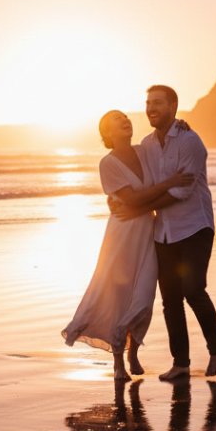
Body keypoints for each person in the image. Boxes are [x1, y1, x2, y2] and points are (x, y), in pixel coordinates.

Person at [62, 110, 193, 381]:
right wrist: (167, 185)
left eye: (125, 117)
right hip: (121, 236)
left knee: (144, 297)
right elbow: (131, 199)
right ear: (107, 134)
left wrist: (179, 126)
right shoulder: (107, 163)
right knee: (118, 296)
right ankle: (119, 361)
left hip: (149, 232)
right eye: (116, 120)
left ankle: (134, 348)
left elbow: (166, 141)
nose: (124, 121)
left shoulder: (145, 150)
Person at [115, 84, 216, 380]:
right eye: (148, 103)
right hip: (163, 231)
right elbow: (129, 170)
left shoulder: (190, 141)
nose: (151, 108)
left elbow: (181, 190)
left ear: (173, 106)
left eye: (158, 103)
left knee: (193, 290)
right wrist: (114, 195)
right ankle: (181, 364)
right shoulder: (147, 145)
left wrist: (137, 208)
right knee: (170, 299)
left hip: (195, 226)